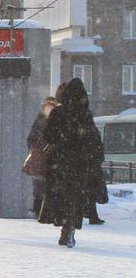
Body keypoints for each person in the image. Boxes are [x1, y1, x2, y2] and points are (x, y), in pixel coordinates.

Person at [41, 79, 107, 248]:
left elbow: (49, 136)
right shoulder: (85, 114)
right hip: (80, 162)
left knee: (60, 194)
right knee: (76, 196)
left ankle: (64, 225)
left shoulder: (57, 112)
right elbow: (92, 139)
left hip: (60, 161)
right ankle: (70, 226)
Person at [27, 97, 57, 217]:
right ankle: (39, 210)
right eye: (48, 107)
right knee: (39, 184)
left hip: (52, 157)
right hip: (41, 157)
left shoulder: (56, 121)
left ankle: (46, 211)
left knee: (49, 184)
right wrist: (37, 149)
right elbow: (31, 139)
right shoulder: (39, 122)